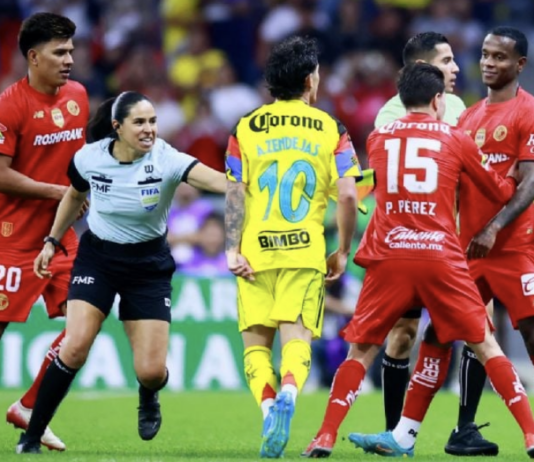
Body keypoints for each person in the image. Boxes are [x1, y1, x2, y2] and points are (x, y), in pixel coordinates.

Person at [302, 63, 534, 459]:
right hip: (439, 255)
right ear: (438, 99)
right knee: (485, 345)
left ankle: (324, 435)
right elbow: (497, 192)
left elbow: (373, 185)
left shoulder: (377, 138)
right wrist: (510, 176)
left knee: (362, 351)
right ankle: (531, 435)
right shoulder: (456, 138)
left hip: (389, 253)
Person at [15, 91, 227, 454]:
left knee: (151, 372)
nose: (149, 129)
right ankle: (31, 437)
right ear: (117, 127)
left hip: (148, 267)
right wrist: (52, 240)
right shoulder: (89, 158)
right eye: (139, 122)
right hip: (98, 260)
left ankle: (149, 394)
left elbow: (220, 183)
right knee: (74, 346)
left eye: (153, 121)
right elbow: (74, 195)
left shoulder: (167, 159)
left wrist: (249, 180)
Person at [225, 36, 361, 458]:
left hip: (254, 253)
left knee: (255, 347)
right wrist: (342, 250)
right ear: (308, 80)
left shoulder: (245, 127)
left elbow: (234, 191)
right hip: (304, 251)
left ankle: (269, 410)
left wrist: (231, 248)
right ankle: (288, 392)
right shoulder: (332, 128)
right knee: (297, 340)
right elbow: (349, 195)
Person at [373, 34, 495, 454]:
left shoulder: (459, 106)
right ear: (420, 69)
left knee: (479, 326)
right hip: (411, 240)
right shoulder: (392, 113)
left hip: (456, 240)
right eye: (446, 60)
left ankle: (465, 429)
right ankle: (394, 433)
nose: (456, 67)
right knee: (403, 334)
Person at [0, 12, 90, 451]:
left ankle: (30, 407)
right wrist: (59, 192)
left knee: (82, 328)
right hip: (12, 239)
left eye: (71, 50)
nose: (69, 59)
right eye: (59, 52)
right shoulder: (9, 105)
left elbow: (80, 162)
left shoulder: (78, 96)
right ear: (33, 57)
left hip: (61, 237)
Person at [444, 26, 534, 456]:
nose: (488, 63)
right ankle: (463, 430)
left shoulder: (528, 112)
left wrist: (494, 227)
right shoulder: (468, 118)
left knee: (531, 329)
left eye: (499, 56)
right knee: (470, 331)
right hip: (470, 249)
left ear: (520, 64)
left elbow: (530, 182)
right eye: (484, 54)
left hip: (514, 246)